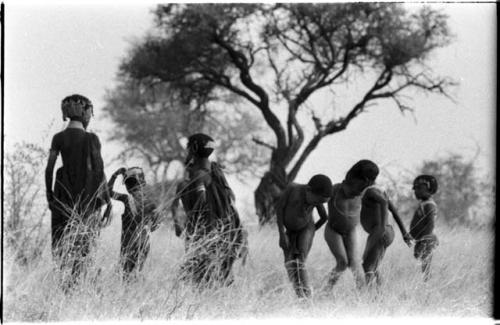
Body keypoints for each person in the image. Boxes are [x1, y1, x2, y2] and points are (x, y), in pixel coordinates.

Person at [45, 94, 111, 290]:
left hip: (62, 197)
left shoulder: (58, 138)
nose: (91, 116)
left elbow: (49, 169)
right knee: (85, 246)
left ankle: (64, 288)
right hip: (87, 200)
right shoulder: (92, 139)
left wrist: (50, 196)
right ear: (84, 112)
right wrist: (107, 202)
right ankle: (80, 287)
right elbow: (99, 171)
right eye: (90, 112)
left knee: (61, 244)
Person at [172, 133, 247, 286]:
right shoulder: (215, 174)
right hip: (221, 230)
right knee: (212, 273)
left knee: (199, 275)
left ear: (193, 149)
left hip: (203, 231)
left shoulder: (198, 176)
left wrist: (182, 222)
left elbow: (201, 199)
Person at [357, 160, 413, 286]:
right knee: (372, 265)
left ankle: (371, 298)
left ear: (364, 178)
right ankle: (379, 296)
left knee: (368, 266)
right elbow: (393, 210)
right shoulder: (378, 190)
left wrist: (381, 229)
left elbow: (384, 203)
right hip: (384, 231)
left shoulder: (371, 191)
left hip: (380, 232)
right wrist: (404, 233)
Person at [277, 174, 331, 298]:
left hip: (306, 228)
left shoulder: (316, 198)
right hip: (290, 230)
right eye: (317, 201)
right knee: (289, 262)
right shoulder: (292, 189)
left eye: (321, 202)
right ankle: (298, 292)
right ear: (308, 190)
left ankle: (307, 294)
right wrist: (281, 234)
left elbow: (324, 217)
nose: (318, 204)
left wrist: (311, 232)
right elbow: (279, 209)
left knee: (300, 261)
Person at [108, 167, 162, 280]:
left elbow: (108, 191)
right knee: (137, 272)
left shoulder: (127, 198)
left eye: (129, 183)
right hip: (144, 242)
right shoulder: (151, 201)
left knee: (126, 274)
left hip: (128, 243)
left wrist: (115, 174)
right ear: (142, 181)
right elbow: (158, 222)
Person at [324, 164, 368, 290]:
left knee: (355, 262)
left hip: (351, 231)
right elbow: (318, 199)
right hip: (333, 230)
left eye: (358, 192)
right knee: (342, 263)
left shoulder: (362, 193)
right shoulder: (334, 190)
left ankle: (363, 293)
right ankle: (326, 289)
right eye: (353, 191)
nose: (355, 194)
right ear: (344, 183)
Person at [409, 175, 439, 281]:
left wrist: (424, 241)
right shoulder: (424, 203)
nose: (416, 192)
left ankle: (427, 285)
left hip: (427, 239)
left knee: (426, 265)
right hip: (422, 239)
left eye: (419, 189)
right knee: (423, 263)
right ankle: (426, 283)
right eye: (415, 189)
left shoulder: (429, 205)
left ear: (429, 189)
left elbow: (430, 224)